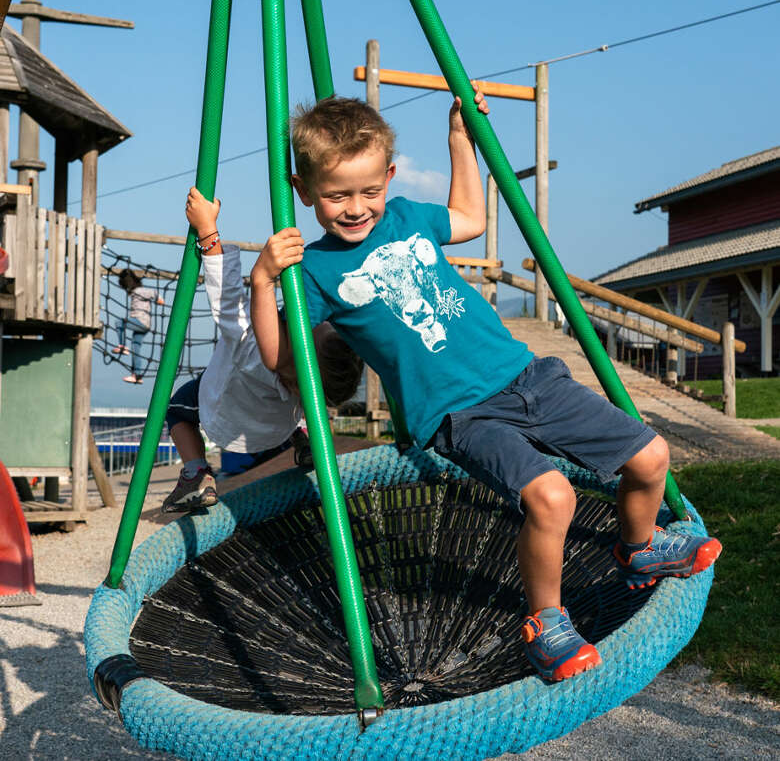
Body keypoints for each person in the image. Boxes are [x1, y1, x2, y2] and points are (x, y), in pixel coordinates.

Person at [249, 91, 722, 683]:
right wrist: (263, 279)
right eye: (336, 195)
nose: (355, 208)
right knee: (553, 498)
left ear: (389, 177)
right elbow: (278, 358)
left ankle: (638, 546)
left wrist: (458, 136)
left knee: (651, 457)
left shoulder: (408, 218)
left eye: (369, 190)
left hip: (527, 377)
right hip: (458, 414)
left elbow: (470, 219)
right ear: (304, 189)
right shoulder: (314, 268)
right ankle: (545, 621)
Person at [161, 187, 364, 514]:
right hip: (276, 430)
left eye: (312, 329)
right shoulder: (304, 382)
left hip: (228, 412)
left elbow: (227, 300)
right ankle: (308, 439)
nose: (308, 321)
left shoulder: (251, 347)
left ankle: (196, 472)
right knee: (300, 409)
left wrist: (207, 231)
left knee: (176, 408)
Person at [113, 269, 164, 384]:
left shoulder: (138, 291)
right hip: (143, 324)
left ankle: (122, 346)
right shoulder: (135, 292)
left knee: (119, 323)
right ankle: (137, 376)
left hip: (140, 322)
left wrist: (160, 299)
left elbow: (153, 292)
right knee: (136, 348)